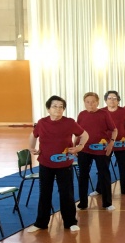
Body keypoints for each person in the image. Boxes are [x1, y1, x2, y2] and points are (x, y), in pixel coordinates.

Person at [26, 95, 89, 233]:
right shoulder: (42, 123)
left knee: (66, 193)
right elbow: (33, 135)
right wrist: (31, 148)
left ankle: (70, 222)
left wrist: (79, 147)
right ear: (48, 109)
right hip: (45, 163)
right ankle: (41, 223)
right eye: (55, 106)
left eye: (61, 107)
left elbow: (84, 135)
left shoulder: (69, 122)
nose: (58, 109)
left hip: (64, 163)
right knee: (45, 193)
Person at [76, 92, 117, 211]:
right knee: (83, 175)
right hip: (84, 149)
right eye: (87, 102)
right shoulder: (81, 115)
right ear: (84, 103)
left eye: (93, 101)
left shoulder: (104, 114)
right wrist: (75, 146)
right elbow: (78, 133)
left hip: (101, 149)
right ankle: (82, 203)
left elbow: (114, 130)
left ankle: (107, 203)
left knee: (104, 175)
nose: (90, 104)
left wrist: (111, 143)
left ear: (98, 102)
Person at [104, 90, 125, 196]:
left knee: (123, 166)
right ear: (105, 100)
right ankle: (100, 189)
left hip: (121, 143)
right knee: (103, 167)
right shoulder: (102, 112)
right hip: (105, 144)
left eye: (114, 98)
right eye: (109, 98)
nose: (112, 100)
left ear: (118, 100)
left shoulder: (124, 111)